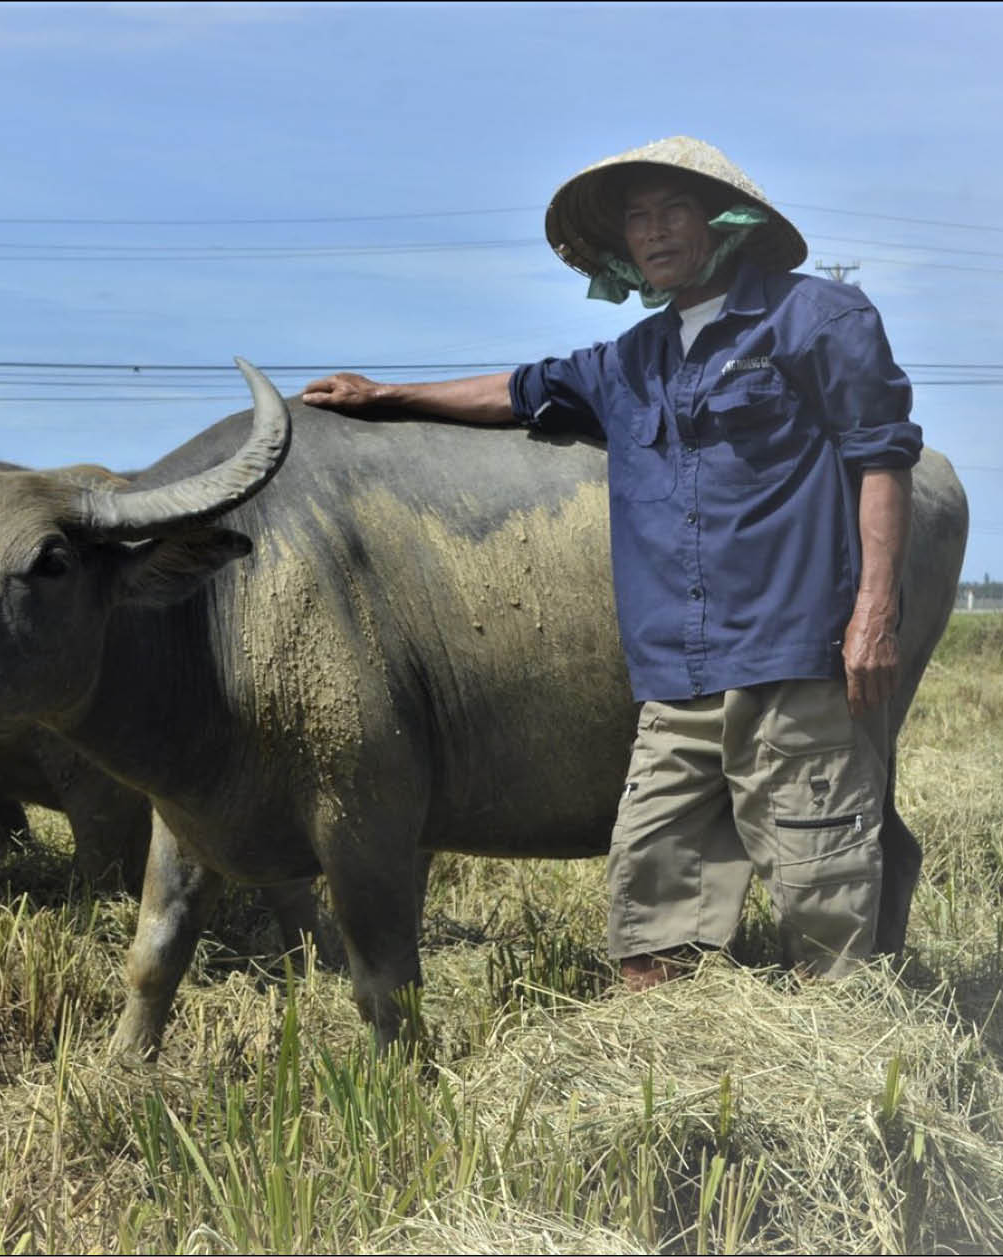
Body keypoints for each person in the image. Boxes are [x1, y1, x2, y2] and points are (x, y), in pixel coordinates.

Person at [303, 136, 921, 989]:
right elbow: (516, 389)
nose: (653, 232)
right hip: (677, 674)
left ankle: (851, 1073)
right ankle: (664, 1086)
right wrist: (386, 394)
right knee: (647, 913)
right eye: (637, 218)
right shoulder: (631, 359)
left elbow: (879, 457)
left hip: (793, 657)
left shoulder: (818, 319)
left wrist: (873, 614)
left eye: (673, 212)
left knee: (822, 905)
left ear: (726, 223)